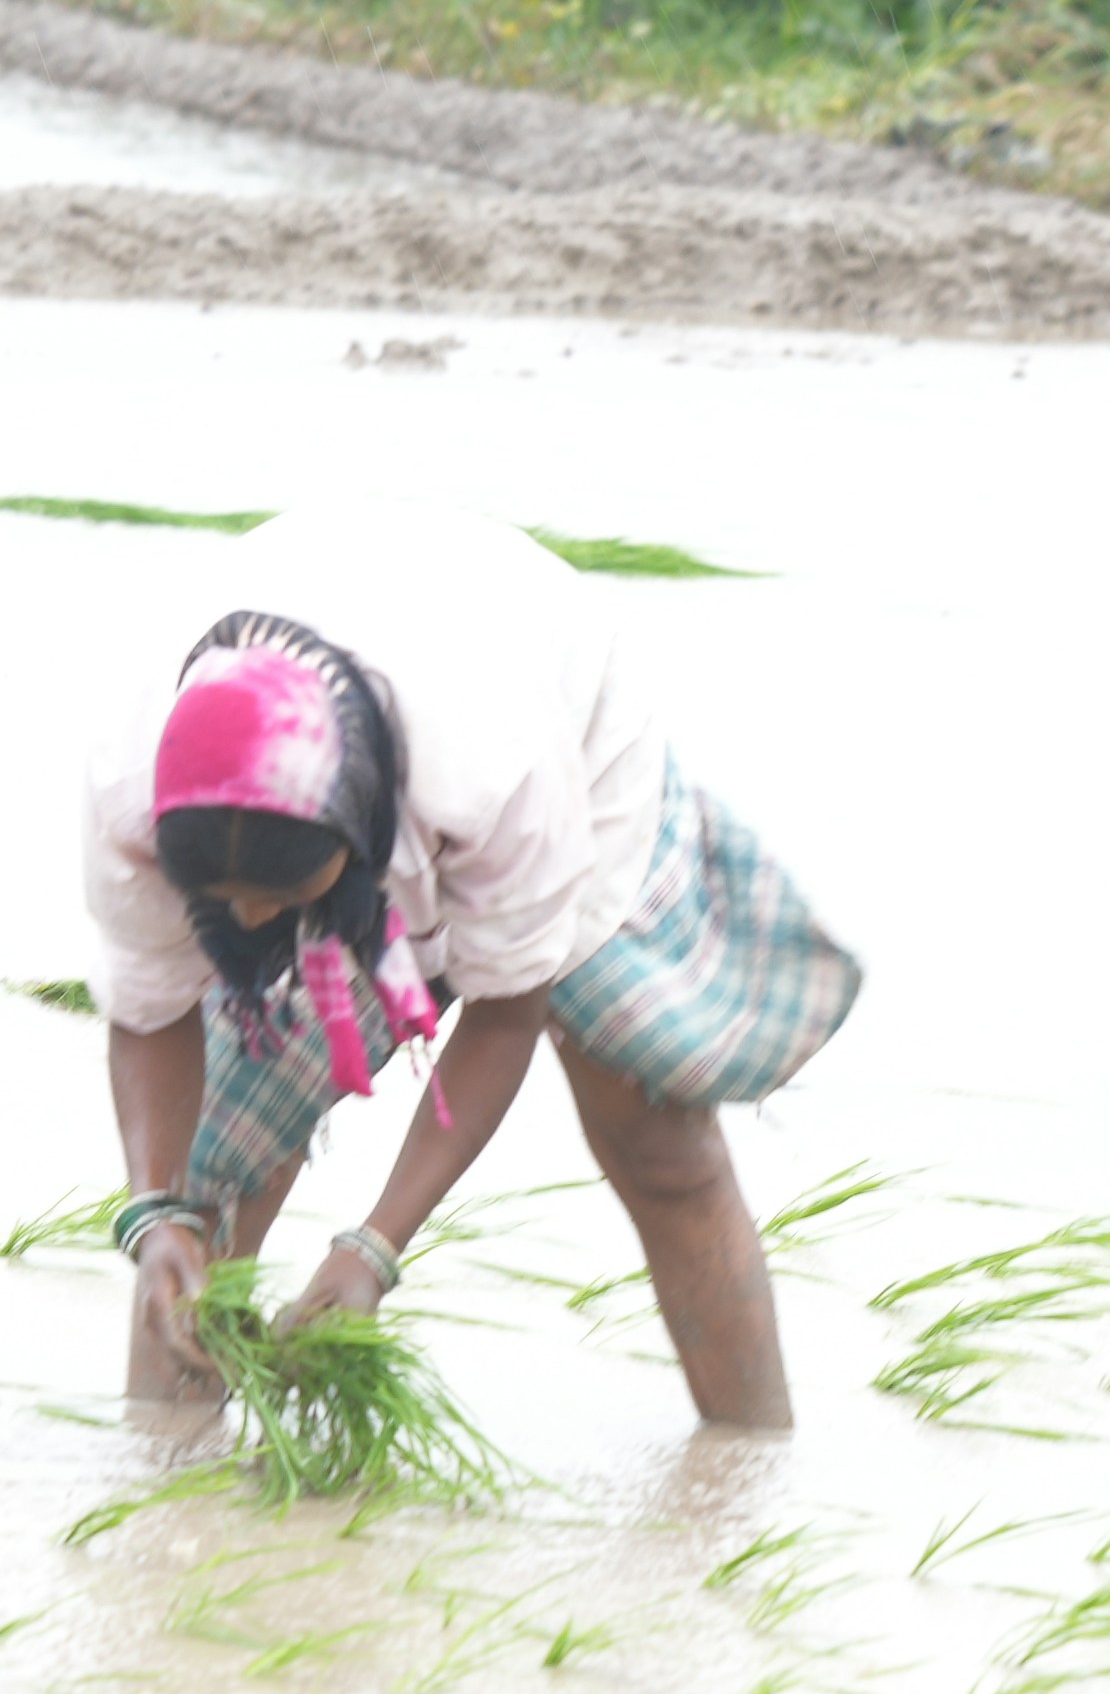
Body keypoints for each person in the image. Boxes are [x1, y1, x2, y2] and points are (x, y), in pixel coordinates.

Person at [82, 554, 857, 1432]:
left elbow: (506, 1011)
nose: (253, 917)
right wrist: (154, 1214)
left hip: (573, 758)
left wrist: (373, 1249)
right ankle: (164, 1496)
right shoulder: (133, 787)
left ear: (355, 824)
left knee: (655, 1141)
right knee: (209, 1180)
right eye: (224, 905)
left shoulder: (497, 764)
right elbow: (149, 1010)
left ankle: (749, 1473)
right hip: (329, 777)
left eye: (280, 895)